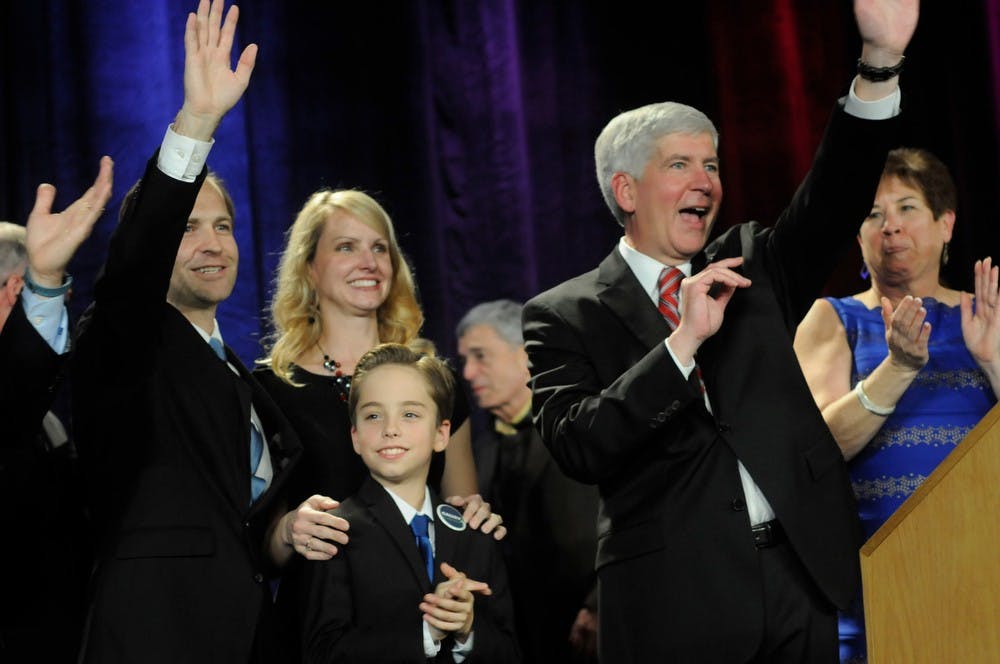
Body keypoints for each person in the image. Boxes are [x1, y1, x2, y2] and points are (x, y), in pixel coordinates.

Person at [520, 1, 919, 661]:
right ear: (627, 190)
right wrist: (681, 345)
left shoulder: (752, 264)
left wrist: (879, 64)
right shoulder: (564, 314)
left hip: (799, 581)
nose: (706, 181)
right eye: (680, 165)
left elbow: (835, 196)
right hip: (677, 602)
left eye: (711, 165)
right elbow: (578, 445)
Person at [71, 2, 302, 661]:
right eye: (186, 227)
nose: (211, 244)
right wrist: (197, 122)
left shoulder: (240, 373)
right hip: (158, 633)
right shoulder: (124, 338)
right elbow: (133, 269)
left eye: (223, 226)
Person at [793, 147, 999, 663]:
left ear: (945, 224)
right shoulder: (829, 319)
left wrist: (993, 363)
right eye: (873, 215)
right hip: (871, 580)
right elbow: (814, 448)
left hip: (981, 572)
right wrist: (898, 367)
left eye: (907, 208)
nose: (890, 228)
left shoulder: (990, 319)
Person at [301, 343, 520, 663]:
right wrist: (426, 633)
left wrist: (467, 630)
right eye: (374, 415)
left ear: (441, 434)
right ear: (356, 436)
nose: (391, 429)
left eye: (410, 414)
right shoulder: (335, 533)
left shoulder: (475, 530)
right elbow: (322, 654)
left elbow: (510, 652)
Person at [0, 161, 112, 661]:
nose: (62, 309)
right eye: (54, 300)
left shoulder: (46, 422)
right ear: (14, 292)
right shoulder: (23, 401)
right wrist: (45, 281)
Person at [456, 299, 599, 663]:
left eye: (480, 356)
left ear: (525, 356)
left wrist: (600, 604)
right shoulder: (477, 452)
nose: (469, 373)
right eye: (465, 361)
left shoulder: (580, 426)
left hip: (592, 628)